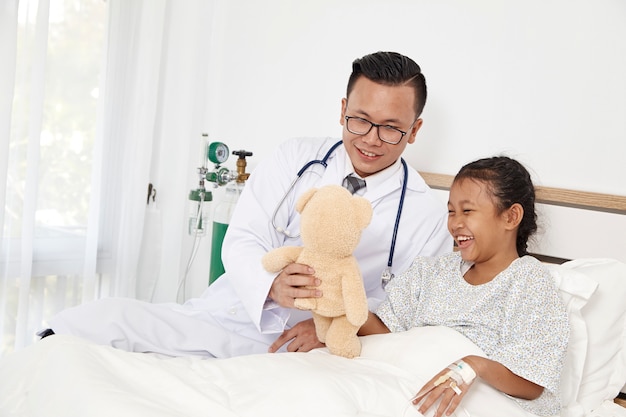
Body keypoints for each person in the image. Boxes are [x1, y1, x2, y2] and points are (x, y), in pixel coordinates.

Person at [41, 51, 453, 358]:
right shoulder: (296, 159)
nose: (370, 138)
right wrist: (271, 284)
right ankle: (44, 352)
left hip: (314, 347)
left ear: (414, 131)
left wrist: (328, 330)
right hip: (235, 310)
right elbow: (242, 239)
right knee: (102, 320)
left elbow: (407, 307)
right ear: (342, 111)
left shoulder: (427, 215)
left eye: (391, 129)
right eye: (360, 120)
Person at [359, 156, 569, 417]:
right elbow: (385, 333)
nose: (455, 223)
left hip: (478, 401)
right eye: (451, 211)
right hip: (403, 381)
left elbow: (532, 382)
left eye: (467, 211)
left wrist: (472, 366)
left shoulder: (528, 281)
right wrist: (339, 304)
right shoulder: (430, 271)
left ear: (511, 216)